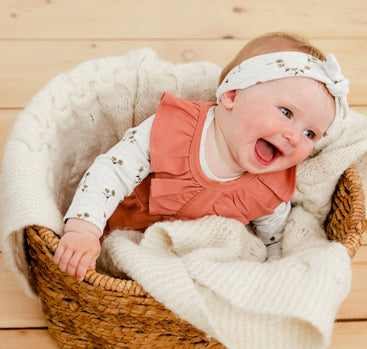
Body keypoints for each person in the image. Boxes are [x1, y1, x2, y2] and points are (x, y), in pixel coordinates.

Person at [54, 32, 349, 281]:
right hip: (114, 224)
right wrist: (83, 231)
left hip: (178, 262)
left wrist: (270, 274)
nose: (294, 137)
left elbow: (274, 237)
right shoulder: (176, 130)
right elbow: (111, 172)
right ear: (232, 96)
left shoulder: (269, 186)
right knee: (84, 263)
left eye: (311, 134)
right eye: (286, 113)